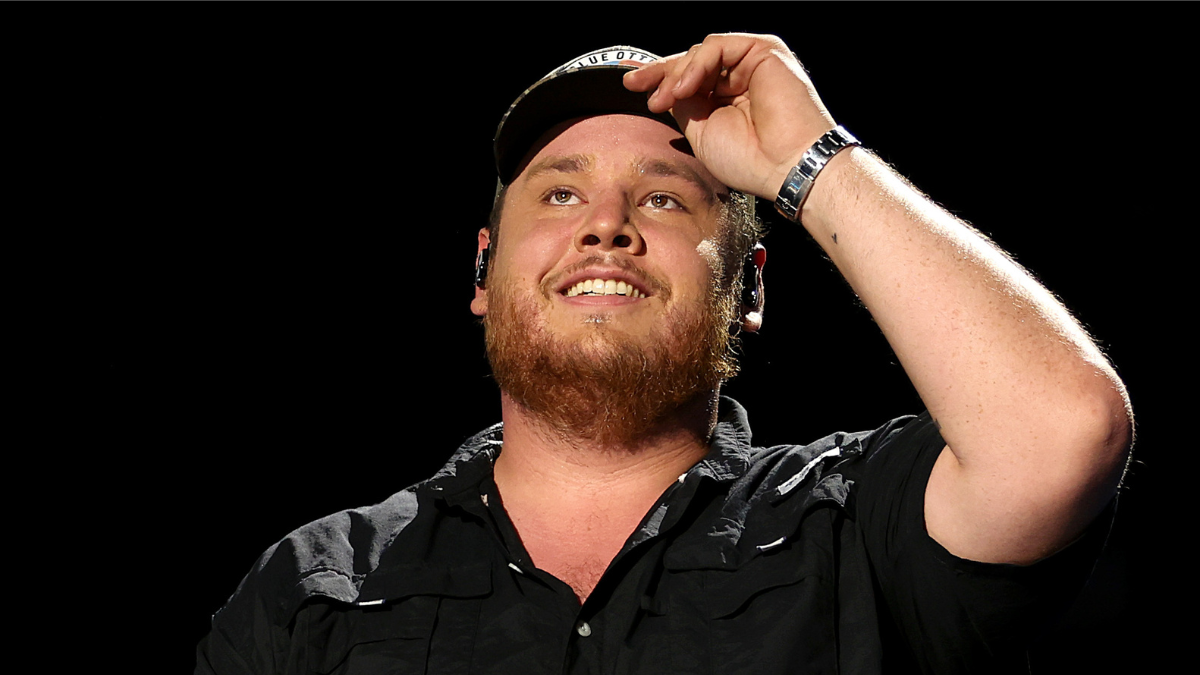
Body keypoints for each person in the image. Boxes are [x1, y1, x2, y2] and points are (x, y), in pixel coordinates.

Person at [196, 34, 1132, 675]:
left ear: (750, 290)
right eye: (560, 195)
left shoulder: (855, 527)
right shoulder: (315, 590)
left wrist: (810, 160)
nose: (605, 225)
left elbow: (1063, 432)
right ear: (482, 270)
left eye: (663, 199)